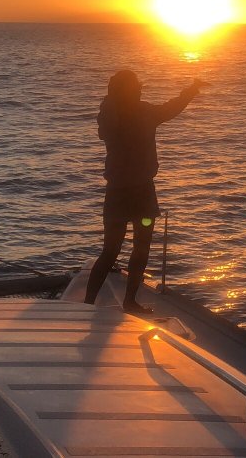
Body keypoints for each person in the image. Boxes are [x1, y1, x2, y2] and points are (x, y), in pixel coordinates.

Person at [83, 70, 207, 313]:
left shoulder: (117, 115)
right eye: (137, 87)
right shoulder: (131, 114)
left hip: (127, 193)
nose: (141, 90)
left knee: (119, 249)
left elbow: (171, 108)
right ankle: (119, 302)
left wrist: (190, 91)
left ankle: (102, 303)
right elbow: (171, 109)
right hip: (135, 194)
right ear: (127, 91)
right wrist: (191, 91)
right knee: (127, 248)